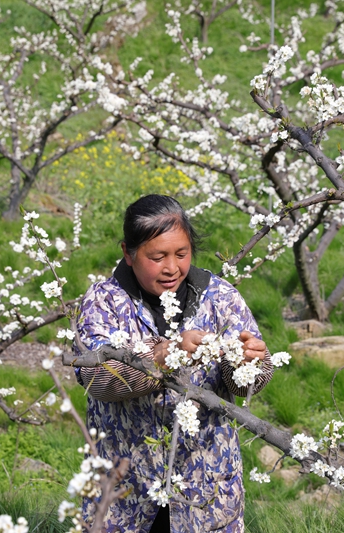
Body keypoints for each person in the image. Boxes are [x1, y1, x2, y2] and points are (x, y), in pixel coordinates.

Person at [73, 195, 273, 533]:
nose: (171, 268)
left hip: (206, 487)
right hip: (126, 488)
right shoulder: (103, 301)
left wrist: (250, 363)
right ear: (128, 252)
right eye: (157, 257)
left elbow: (245, 385)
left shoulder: (219, 298)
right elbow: (94, 377)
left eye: (181, 254)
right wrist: (158, 357)